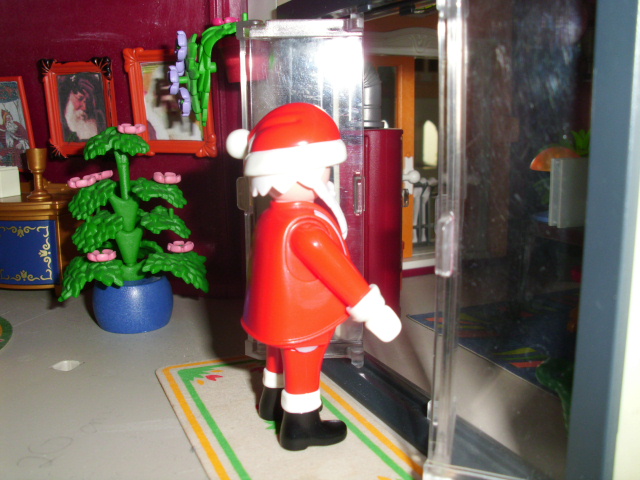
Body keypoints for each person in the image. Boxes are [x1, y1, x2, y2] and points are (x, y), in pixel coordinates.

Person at [226, 103, 401, 451]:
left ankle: (271, 401)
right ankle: (301, 427)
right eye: (326, 169)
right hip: (304, 318)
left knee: (277, 354)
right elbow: (339, 274)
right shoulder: (306, 227)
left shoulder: (271, 217)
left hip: (273, 315)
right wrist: (374, 311)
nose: (329, 178)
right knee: (303, 364)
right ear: (304, 172)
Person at [58, 74, 106, 142]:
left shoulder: (100, 119)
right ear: (68, 97)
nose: (85, 108)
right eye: (80, 99)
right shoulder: (58, 127)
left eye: (89, 101)